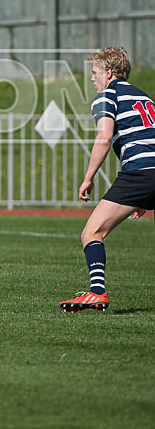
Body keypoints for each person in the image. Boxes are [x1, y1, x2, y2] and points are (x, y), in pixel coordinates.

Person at [60, 46, 155, 313]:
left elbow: (104, 137)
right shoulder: (144, 97)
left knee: (92, 232)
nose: (92, 78)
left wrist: (88, 178)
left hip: (139, 173)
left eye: (94, 72)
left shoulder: (107, 96)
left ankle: (97, 292)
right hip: (147, 175)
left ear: (109, 72)